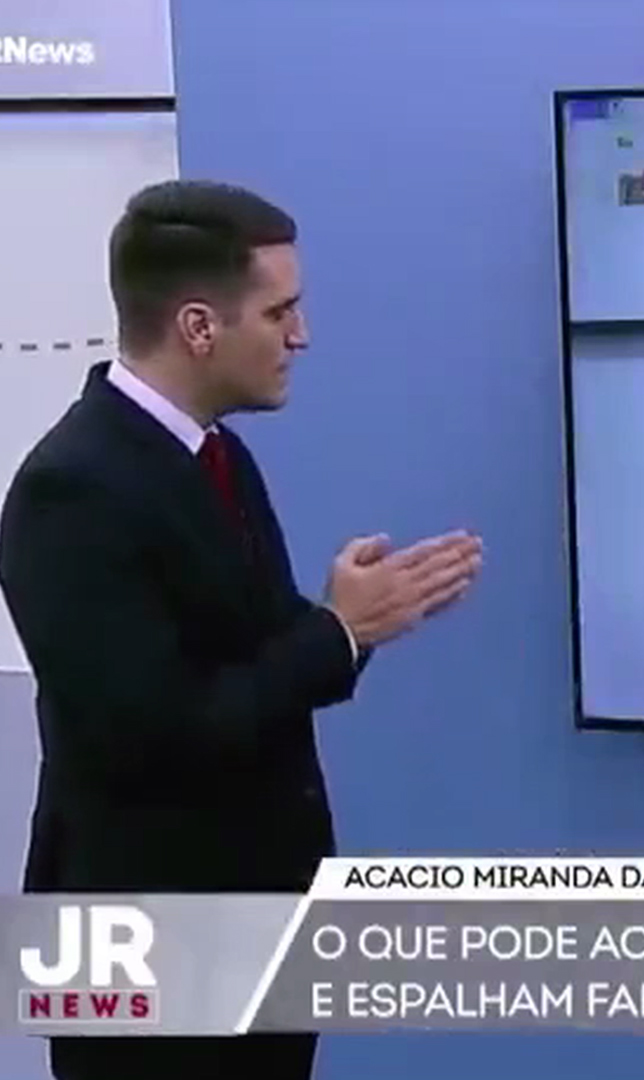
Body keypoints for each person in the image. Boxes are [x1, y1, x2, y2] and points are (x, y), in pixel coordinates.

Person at [0, 180, 483, 1079]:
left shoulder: (217, 455)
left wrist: (351, 620)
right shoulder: (71, 491)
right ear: (198, 327)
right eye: (279, 312)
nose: (302, 336)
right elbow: (150, 734)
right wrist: (334, 633)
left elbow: (249, 658)